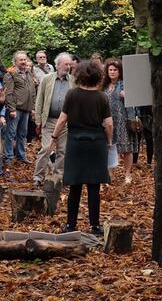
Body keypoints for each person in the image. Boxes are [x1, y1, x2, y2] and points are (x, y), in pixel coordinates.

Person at [48, 60, 112, 235]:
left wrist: (53, 138)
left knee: (75, 186)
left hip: (76, 142)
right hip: (96, 144)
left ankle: (70, 224)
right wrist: (108, 141)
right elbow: (108, 124)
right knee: (93, 186)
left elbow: (62, 119)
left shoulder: (72, 94)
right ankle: (95, 226)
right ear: (98, 76)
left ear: (80, 75)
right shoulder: (102, 97)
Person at [32, 52, 76, 186]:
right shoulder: (47, 79)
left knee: (62, 150)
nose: (68, 67)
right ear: (57, 65)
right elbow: (40, 100)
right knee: (46, 149)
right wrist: (38, 120)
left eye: (69, 64)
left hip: (66, 122)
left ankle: (58, 177)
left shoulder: (73, 80)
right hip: (49, 120)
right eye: (65, 64)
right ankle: (38, 177)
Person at [103, 58, 136, 183]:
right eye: (110, 70)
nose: (112, 72)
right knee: (110, 147)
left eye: (115, 70)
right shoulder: (104, 86)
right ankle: (111, 173)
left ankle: (127, 174)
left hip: (123, 119)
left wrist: (127, 95)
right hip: (108, 120)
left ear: (120, 71)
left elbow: (134, 100)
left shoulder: (124, 84)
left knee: (126, 148)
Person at [2, 51, 36, 166]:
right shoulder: (10, 74)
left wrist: (33, 107)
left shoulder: (28, 73)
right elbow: (8, 93)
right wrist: (11, 109)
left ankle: (21, 156)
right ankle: (8, 157)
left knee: (22, 134)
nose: (23, 62)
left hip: (26, 109)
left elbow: (32, 92)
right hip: (15, 109)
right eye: (20, 60)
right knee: (10, 133)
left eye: (24, 59)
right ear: (15, 62)